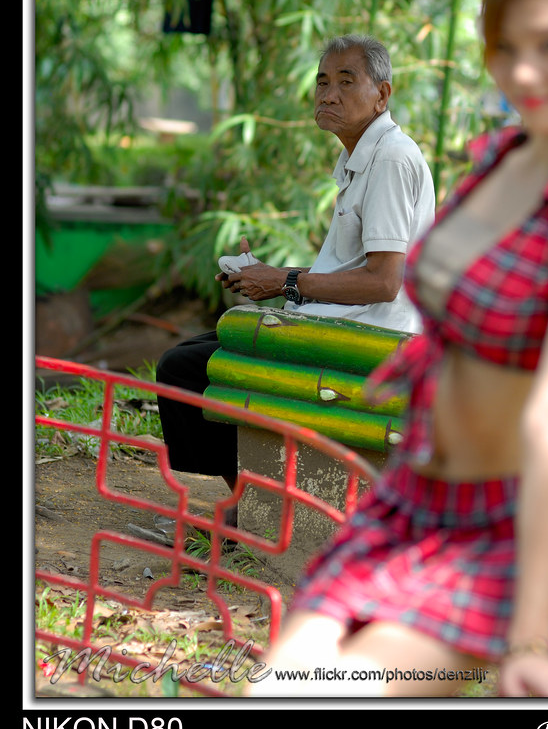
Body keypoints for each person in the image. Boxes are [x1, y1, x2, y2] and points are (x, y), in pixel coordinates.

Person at [246, 0, 548, 699]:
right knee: (274, 689)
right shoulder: (504, 155)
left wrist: (530, 635)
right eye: (505, 48)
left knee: (312, 695)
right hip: (411, 498)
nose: (524, 72)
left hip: (496, 527)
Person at [156, 34, 436, 512]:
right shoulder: (360, 157)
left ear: (382, 94)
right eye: (322, 82)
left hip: (374, 338)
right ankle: (252, 506)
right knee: (192, 352)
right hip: (351, 324)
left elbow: (385, 283)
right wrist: (268, 276)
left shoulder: (389, 159)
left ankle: (255, 510)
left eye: (347, 82)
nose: (329, 95)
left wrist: (285, 283)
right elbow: (355, 271)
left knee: (182, 369)